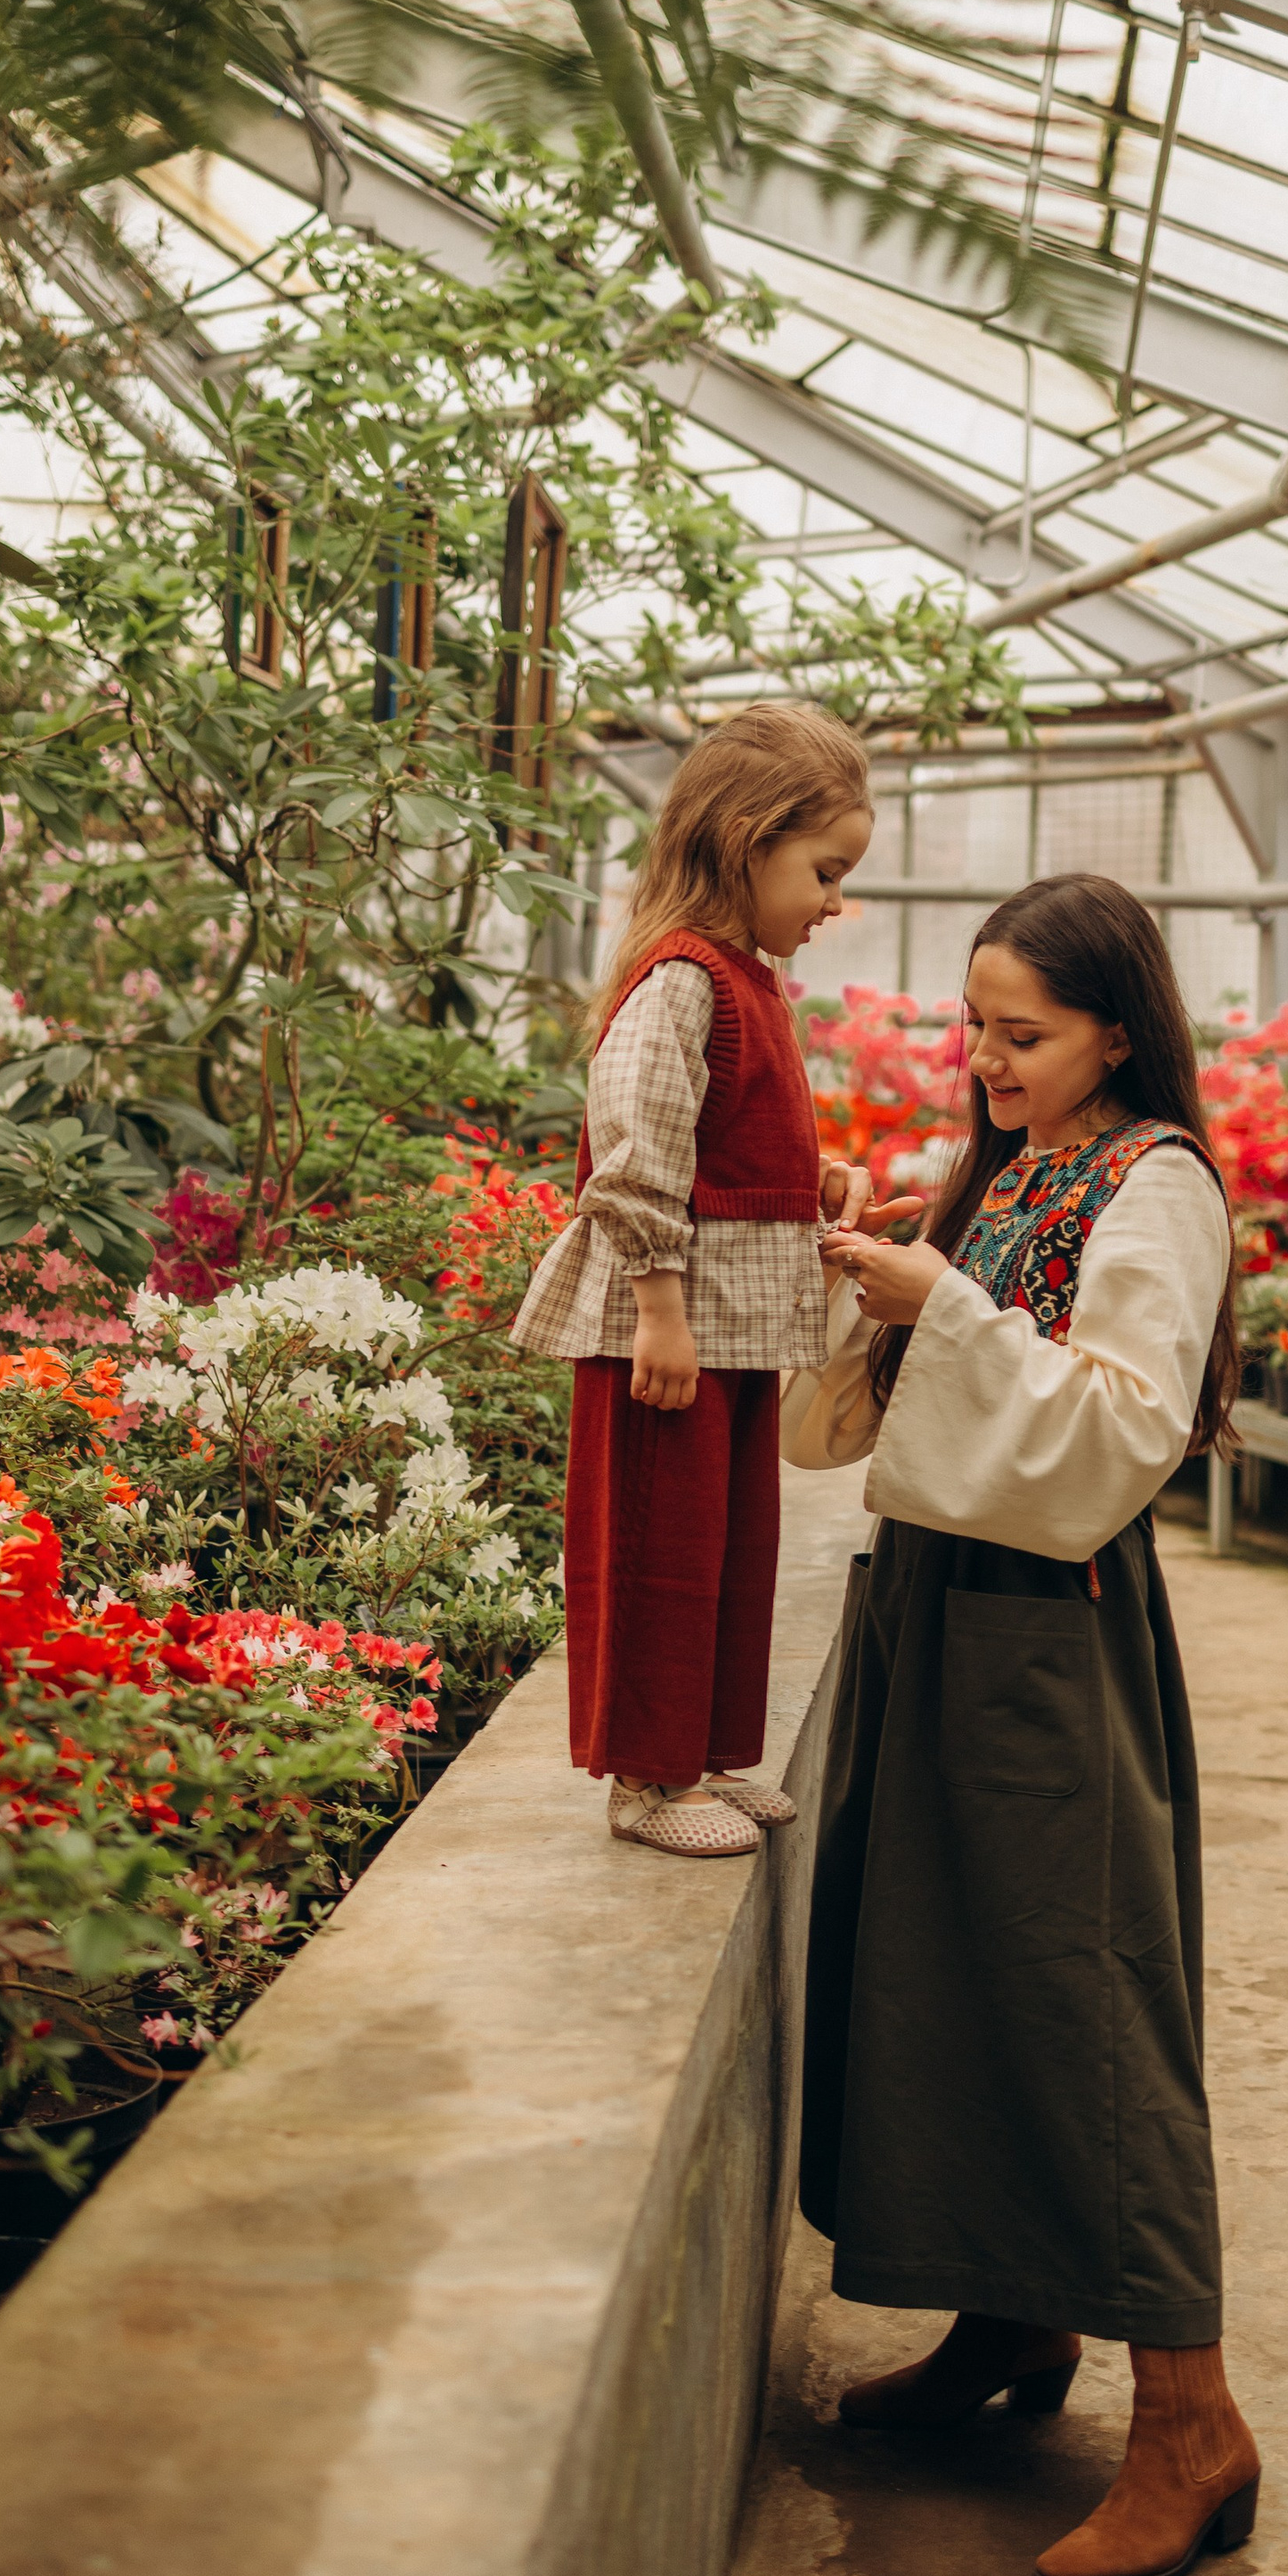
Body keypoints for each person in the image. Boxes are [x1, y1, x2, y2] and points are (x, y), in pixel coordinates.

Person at [785, 870, 1259, 2576]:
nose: (981, 1056)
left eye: (1021, 1032)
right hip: (940, 1605)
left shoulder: (1151, 1185)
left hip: (1039, 1635)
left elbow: (1119, 1429)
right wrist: (883, 1272)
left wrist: (948, 1310)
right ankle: (1010, 2324)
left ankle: (1189, 2423)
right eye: (972, 1025)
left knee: (1083, 1999)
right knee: (950, 1969)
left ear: (1114, 1031)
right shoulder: (1025, 1169)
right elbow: (923, 1392)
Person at [513, 699, 905, 1858]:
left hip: (730, 1328)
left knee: (732, 1547)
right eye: (825, 871)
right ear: (746, 840)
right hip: (671, 1333)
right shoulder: (682, 979)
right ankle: (644, 1778)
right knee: (657, 1551)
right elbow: (636, 1152)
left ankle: (707, 1755)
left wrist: (818, 1178)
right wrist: (658, 1316)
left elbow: (719, 1136)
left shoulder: (747, 978)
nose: (836, 902)